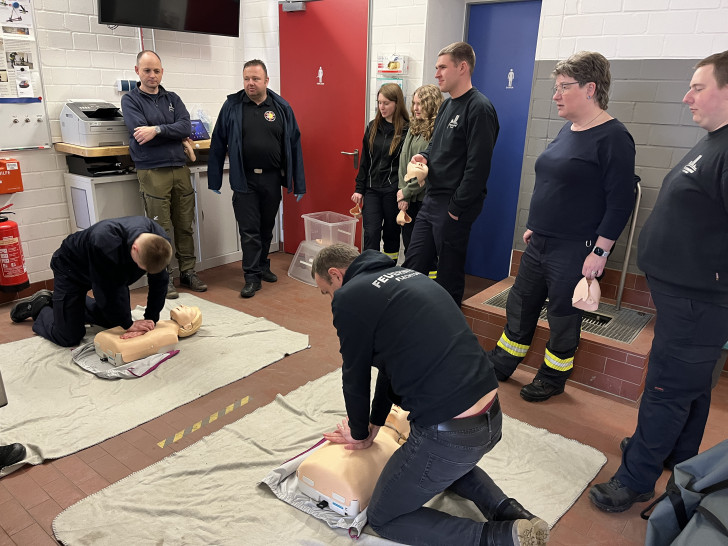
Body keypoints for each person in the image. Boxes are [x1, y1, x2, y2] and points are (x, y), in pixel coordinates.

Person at [312, 243, 549, 546]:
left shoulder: (349, 297)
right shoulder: (407, 275)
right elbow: (389, 364)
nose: (330, 299)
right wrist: (373, 422)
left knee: (385, 516)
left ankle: (498, 537)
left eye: (325, 291)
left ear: (335, 274)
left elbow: (354, 375)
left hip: (452, 435)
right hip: (491, 417)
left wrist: (358, 434)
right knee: (444, 467)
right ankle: (517, 516)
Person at [589, 50, 728, 513]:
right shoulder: (714, 140)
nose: (686, 95)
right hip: (686, 300)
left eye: (698, 87)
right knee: (688, 388)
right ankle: (677, 458)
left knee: (667, 390)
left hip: (699, 303)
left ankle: (635, 480)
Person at [487, 51, 636, 403]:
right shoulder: (568, 129)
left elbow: (620, 202)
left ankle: (553, 377)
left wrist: (600, 251)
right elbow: (555, 181)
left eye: (563, 87)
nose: (555, 95)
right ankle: (503, 361)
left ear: (590, 89)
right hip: (540, 240)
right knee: (521, 304)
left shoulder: (614, 137)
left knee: (563, 314)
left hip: (577, 247)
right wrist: (535, 226)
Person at [402, 41, 499, 307]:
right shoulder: (446, 106)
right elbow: (436, 146)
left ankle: (447, 325)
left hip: (454, 204)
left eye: (442, 67)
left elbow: (478, 167)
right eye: (436, 68)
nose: (437, 74)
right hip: (432, 198)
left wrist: (457, 207)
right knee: (415, 260)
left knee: (448, 272)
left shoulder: (479, 108)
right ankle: (410, 315)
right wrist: (425, 157)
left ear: (463, 67)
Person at [208, 59, 306, 299]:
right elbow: (218, 142)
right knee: (249, 230)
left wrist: (299, 182)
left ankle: (262, 265)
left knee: (266, 227)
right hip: (245, 179)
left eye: (255, 79)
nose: (250, 83)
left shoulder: (281, 106)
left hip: (272, 179)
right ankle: (251, 276)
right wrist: (214, 178)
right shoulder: (232, 106)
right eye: (246, 79)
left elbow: (294, 145)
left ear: (266, 81)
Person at [9, 216, 173, 348]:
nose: (142, 271)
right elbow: (106, 292)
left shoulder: (159, 242)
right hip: (71, 269)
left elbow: (159, 282)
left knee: (113, 321)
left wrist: (151, 319)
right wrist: (128, 324)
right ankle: (42, 306)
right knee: (68, 336)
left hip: (108, 273)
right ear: (135, 248)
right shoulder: (104, 242)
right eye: (141, 267)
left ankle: (61, 303)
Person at [121, 50, 206, 299]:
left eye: (156, 70)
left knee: (184, 223)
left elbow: (184, 125)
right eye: (147, 70)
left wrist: (157, 129)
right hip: (152, 170)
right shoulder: (131, 100)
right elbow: (140, 135)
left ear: (162, 72)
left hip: (179, 168)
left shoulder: (173, 98)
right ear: (137, 71)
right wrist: (172, 134)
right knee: (161, 228)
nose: (152, 75)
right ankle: (163, 277)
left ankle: (188, 272)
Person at [351, 83, 409, 261]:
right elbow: (365, 161)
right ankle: (370, 269)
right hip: (372, 190)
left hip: (393, 191)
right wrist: (359, 188)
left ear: (397, 103)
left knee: (391, 233)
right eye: (379, 103)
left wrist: (405, 192)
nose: (381, 107)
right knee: (371, 232)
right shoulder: (372, 127)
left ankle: (387, 270)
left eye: (386, 103)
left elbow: (407, 165)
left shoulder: (407, 130)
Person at [397, 84, 443, 276]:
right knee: (410, 248)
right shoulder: (413, 127)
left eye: (420, 104)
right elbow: (404, 163)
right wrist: (403, 194)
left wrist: (407, 191)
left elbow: (425, 169)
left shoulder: (437, 132)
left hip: (424, 199)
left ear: (431, 105)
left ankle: (430, 286)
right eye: (414, 103)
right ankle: (414, 283)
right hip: (408, 199)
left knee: (426, 253)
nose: (415, 108)